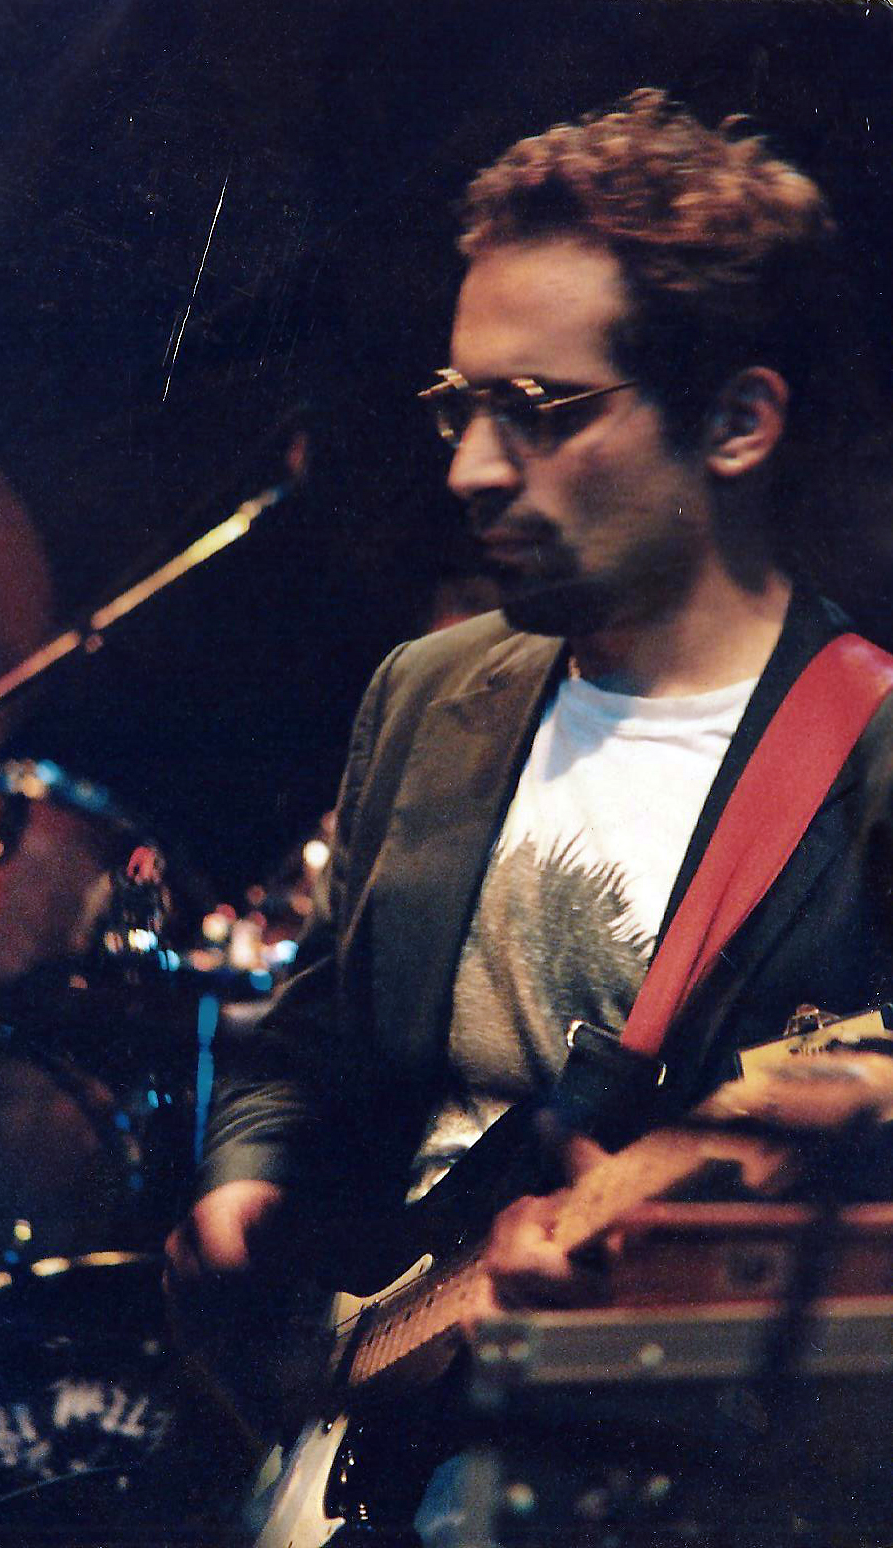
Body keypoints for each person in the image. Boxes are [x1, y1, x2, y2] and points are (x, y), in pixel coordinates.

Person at [164, 87, 893, 1532]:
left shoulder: (867, 758)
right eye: (461, 405)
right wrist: (248, 1183)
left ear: (738, 421)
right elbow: (308, 1044)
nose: (470, 467)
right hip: (348, 1452)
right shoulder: (430, 691)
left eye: (539, 412)